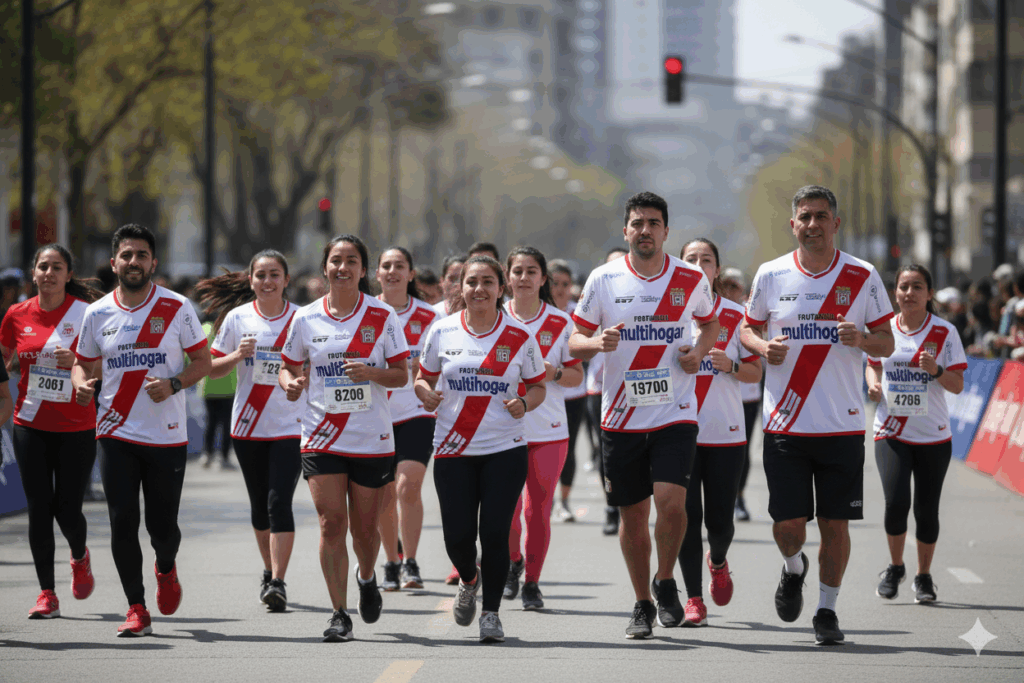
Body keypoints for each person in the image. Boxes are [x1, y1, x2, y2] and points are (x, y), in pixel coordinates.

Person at [739, 185, 894, 645]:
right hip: (785, 423)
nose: (813, 224)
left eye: (821, 216)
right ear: (793, 225)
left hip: (841, 424)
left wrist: (862, 339)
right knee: (788, 527)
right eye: (805, 217)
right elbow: (747, 327)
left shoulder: (862, 275)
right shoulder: (771, 274)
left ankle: (827, 610)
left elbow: (887, 341)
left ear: (835, 223)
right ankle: (793, 567)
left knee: (834, 525)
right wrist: (762, 346)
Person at [569, 191, 719, 638]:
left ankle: (666, 578)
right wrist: (596, 343)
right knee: (633, 516)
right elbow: (575, 341)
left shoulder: (689, 278)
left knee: (671, 503)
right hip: (621, 417)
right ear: (626, 231)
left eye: (653, 223)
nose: (645, 230)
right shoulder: (604, 279)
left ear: (666, 231)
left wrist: (700, 352)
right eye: (638, 223)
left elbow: (710, 323)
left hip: (675, 412)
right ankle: (642, 602)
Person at [72, 224, 212, 637]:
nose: (134, 262)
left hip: (166, 435)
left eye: (142, 255)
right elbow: (82, 363)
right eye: (127, 255)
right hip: (114, 432)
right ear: (114, 262)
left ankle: (165, 568)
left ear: (154, 262)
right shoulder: (97, 313)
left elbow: (203, 362)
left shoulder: (176, 307)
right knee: (122, 520)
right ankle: (136, 607)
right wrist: (81, 384)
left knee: (162, 529)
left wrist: (174, 384)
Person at [279, 235, 409, 642]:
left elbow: (401, 375)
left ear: (363, 270)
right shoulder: (305, 318)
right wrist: (290, 383)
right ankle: (339, 613)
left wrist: (371, 373)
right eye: (336, 260)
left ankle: (366, 577)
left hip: (370, 438)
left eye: (351, 260)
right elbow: (287, 366)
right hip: (321, 435)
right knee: (331, 523)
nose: (342, 267)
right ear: (325, 268)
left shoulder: (382, 316)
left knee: (364, 532)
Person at [415, 255, 546, 642]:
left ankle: (491, 614)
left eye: (488, 282)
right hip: (453, 449)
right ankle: (469, 579)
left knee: (494, 533)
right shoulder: (442, 330)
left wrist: (525, 403)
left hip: (504, 449)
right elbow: (422, 377)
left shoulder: (519, 335)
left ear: (501, 288)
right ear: (461, 288)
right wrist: (425, 394)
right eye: (471, 281)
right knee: (457, 538)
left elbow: (539, 386)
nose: (479, 289)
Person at [0, 244, 103, 619]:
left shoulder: (87, 314)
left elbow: (107, 365)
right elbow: (4, 360)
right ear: (33, 273)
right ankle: (47, 593)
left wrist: (77, 361)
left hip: (76, 425)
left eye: (57, 267)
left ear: (68, 274)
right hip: (30, 423)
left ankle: (79, 556)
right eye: (43, 266)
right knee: (39, 509)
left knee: (67, 509)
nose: (49, 273)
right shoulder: (16, 314)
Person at [197, 250, 304, 612]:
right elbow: (211, 368)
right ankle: (268, 570)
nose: (268, 281)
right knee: (260, 507)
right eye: (261, 275)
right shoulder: (237, 318)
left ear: (286, 280)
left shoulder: (302, 318)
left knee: (278, 502)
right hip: (248, 425)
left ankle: (278, 581)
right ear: (250, 280)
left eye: (275, 275)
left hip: (291, 425)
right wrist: (236, 355)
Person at [866, 265, 966, 604]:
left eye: (917, 287)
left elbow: (957, 385)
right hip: (891, 431)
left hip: (932, 435)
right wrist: (873, 384)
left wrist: (935, 370)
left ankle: (924, 576)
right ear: (895, 293)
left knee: (926, 510)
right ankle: (896, 567)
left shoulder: (944, 332)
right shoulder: (884, 330)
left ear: (929, 293)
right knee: (896, 503)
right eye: (904, 287)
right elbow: (872, 364)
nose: (909, 293)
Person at [676, 239, 763, 626]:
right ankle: (694, 599)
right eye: (690, 259)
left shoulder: (735, 315)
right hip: (678, 433)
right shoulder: (668, 315)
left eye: (706, 260)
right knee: (686, 518)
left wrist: (730, 366)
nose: (698, 265)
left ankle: (719, 561)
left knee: (720, 523)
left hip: (726, 433)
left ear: (717, 269)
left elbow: (755, 372)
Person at [502, 247, 584, 609]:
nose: (524, 278)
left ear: (543, 278)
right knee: (507, 511)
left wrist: (554, 373)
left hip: (548, 431)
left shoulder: (561, 322)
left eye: (531, 271)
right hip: (501, 429)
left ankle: (532, 582)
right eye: (517, 271)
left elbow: (577, 376)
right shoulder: (495, 319)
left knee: (537, 510)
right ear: (507, 277)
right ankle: (513, 562)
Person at [374, 246, 439, 592]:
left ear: (411, 274)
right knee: (385, 494)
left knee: (407, 486)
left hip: (416, 411)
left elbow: (443, 362)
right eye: (386, 265)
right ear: (377, 274)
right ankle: (391, 560)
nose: (392, 271)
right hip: (374, 414)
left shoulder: (429, 316)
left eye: (400, 265)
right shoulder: (365, 313)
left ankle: (410, 560)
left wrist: (428, 379)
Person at [719, 267, 761, 522]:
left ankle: (739, 497)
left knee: (742, 451)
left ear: (744, 290)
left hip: (746, 395)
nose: (730, 290)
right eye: (726, 285)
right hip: (717, 395)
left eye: (735, 286)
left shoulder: (750, 315)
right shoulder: (710, 312)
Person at [548, 259, 588, 523]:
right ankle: (543, 499)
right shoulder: (537, 313)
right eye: (555, 283)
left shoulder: (578, 315)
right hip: (542, 394)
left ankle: (563, 502)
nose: (561, 289)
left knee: (568, 447)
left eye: (566, 284)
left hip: (573, 393)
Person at [200, 317, 236, 469]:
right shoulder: (232, 328)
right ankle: (224, 457)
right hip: (229, 386)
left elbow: (191, 356)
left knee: (211, 423)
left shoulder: (204, 329)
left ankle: (207, 455)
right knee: (226, 424)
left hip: (209, 386)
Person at [433, 255, 466, 321]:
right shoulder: (432, 314)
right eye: (452, 279)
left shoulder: (481, 314)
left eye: (463, 279)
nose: (457, 284)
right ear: (442, 281)